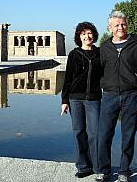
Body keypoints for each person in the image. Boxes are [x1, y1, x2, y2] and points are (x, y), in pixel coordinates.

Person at [95, 10, 137, 182]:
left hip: (132, 96)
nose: (121, 27)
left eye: (123, 24)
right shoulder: (105, 47)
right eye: (117, 25)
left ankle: (124, 171)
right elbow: (100, 71)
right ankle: (103, 170)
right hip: (109, 96)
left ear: (127, 25)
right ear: (110, 27)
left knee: (128, 136)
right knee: (104, 134)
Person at [61, 22, 102, 178]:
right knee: (79, 132)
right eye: (83, 33)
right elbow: (68, 79)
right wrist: (64, 101)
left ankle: (99, 168)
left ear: (94, 35)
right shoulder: (74, 54)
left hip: (94, 99)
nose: (87, 36)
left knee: (95, 134)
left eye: (89, 33)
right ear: (79, 36)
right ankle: (84, 167)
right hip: (75, 99)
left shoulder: (100, 53)